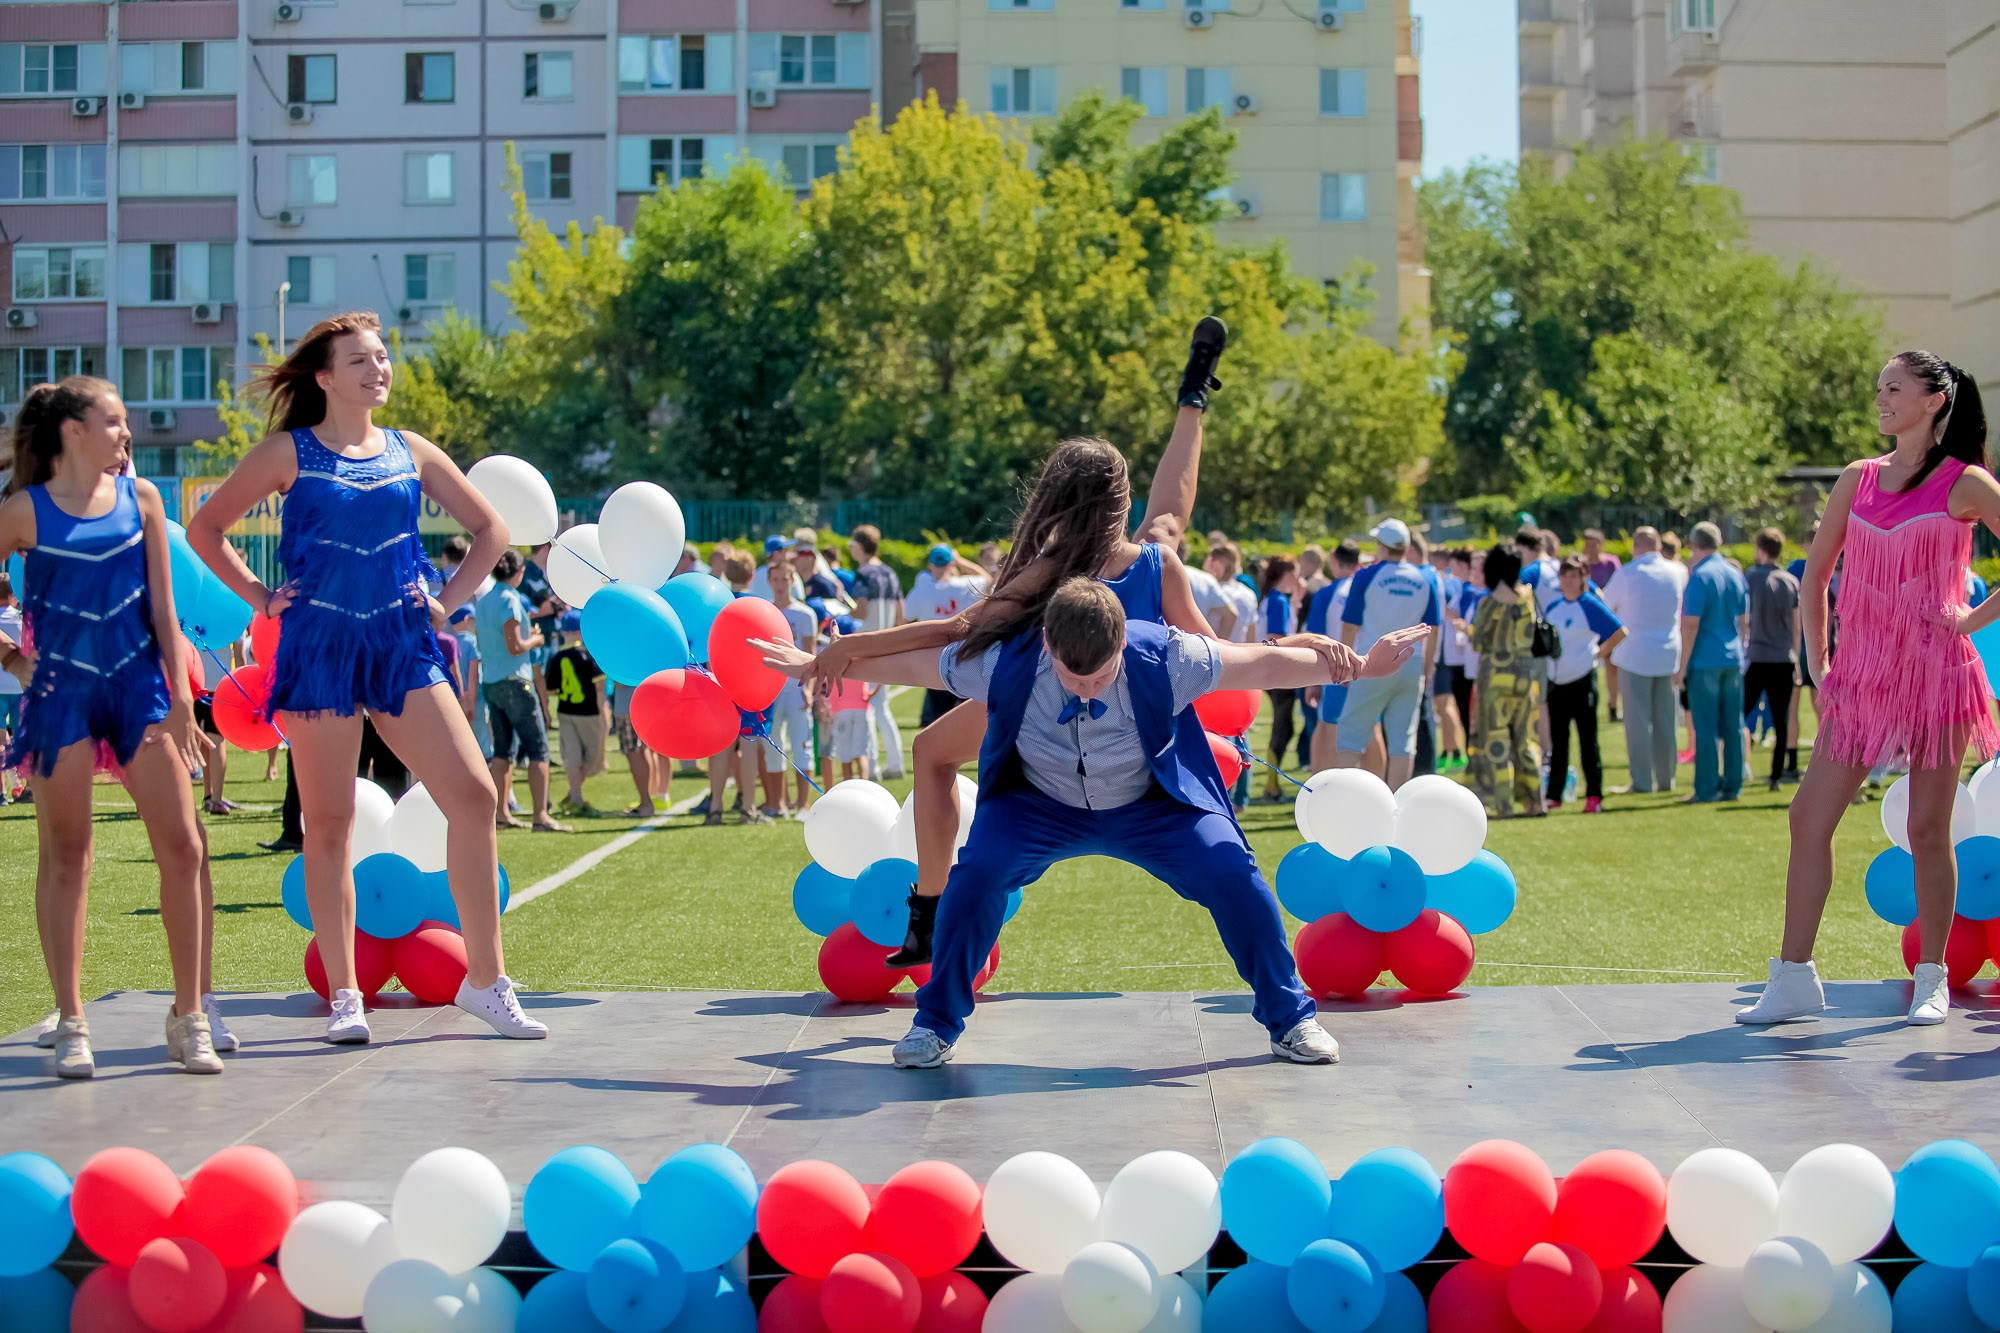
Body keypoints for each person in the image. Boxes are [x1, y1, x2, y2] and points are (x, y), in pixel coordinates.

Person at [761, 578, 1428, 1068]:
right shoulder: (1004, 659)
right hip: (1038, 806)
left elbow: (1267, 662)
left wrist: (1365, 664)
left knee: (1233, 870)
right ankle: (934, 1024)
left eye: (1099, 673)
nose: (1084, 686)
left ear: (1123, 642)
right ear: (1047, 642)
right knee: (978, 876)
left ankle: (1290, 1020)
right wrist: (824, 661)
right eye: (1070, 673)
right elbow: (905, 661)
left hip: (1150, 806)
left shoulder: (1169, 654)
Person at [187, 311, 545, 1044]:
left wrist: (446, 601)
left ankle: (487, 981)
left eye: (382, 358)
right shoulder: (289, 451)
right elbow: (206, 527)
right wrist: (260, 596)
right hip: (319, 648)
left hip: (401, 643)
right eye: (360, 360)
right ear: (324, 377)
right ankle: (345, 994)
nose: (378, 369)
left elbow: (492, 531)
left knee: (475, 797)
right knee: (328, 824)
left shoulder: (411, 450)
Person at [1743, 353, 1999, 1029]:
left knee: (1926, 826)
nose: (1881, 398)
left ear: (1933, 401)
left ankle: (1932, 976)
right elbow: (1816, 576)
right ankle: (1794, 976)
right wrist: (1821, 670)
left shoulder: (1965, 482)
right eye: (1879, 387)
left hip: (1940, 674)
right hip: (1861, 675)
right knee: (1808, 816)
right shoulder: (1857, 478)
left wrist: (1971, 620)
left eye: (1894, 388)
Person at [0, 377, 225, 1077]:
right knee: (69, 855)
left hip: (142, 698)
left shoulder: (146, 500)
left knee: (185, 848)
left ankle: (189, 1016)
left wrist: (183, 701)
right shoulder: (21, 511)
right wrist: (12, 656)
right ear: (73, 430)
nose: (128, 433)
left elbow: (163, 609)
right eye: (115, 420)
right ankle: (72, 1020)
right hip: (61, 698)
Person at [1335, 519, 1440, 790]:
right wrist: (1426, 669)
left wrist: (1346, 665)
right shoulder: (1426, 577)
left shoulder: (1367, 575)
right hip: (1412, 663)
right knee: (1403, 740)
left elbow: (1350, 625)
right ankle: (1396, 805)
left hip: (1372, 662)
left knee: (1350, 736)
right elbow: (1434, 629)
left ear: (1382, 546)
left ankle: (1347, 801)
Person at [477, 551, 567, 833]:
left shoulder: (485, 600)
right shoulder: (509, 599)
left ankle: (501, 813)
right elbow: (515, 646)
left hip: (492, 680)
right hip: (516, 681)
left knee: (503, 751)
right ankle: (541, 814)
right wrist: (537, 639)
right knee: (538, 749)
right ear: (519, 573)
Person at [1603, 527, 1687, 795]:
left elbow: (1606, 605)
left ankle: (1642, 781)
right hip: (1668, 654)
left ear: (1635, 546)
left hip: (1635, 653)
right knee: (1666, 721)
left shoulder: (1627, 573)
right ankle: (1666, 779)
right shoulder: (1679, 571)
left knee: (1638, 722)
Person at [1543, 555, 1627, 813]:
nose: (1568, 580)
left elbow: (1619, 631)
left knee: (1587, 740)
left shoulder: (1588, 604)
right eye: (1565, 575)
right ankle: (1554, 794)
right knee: (1559, 741)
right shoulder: (1554, 606)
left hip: (1582, 680)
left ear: (1583, 579)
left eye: (1574, 575)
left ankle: (1594, 796)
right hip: (1557, 681)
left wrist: (1598, 653)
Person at [1467, 546, 1544, 819]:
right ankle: (1536, 801)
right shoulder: (1527, 597)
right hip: (1524, 677)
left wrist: (1465, 630)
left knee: (1497, 741)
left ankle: (1503, 804)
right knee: (1524, 740)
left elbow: (1476, 641)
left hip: (1495, 679)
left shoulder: (1489, 604)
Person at [1676, 522, 1750, 804]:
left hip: (1705, 659)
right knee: (1732, 724)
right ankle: (1733, 785)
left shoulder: (1700, 576)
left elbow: (1690, 625)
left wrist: (1682, 667)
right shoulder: (1734, 574)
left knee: (1705, 727)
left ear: (1694, 545)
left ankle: (1706, 788)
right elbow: (1744, 621)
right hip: (1732, 659)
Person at [903, 544, 990, 728]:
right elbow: (988, 579)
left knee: (937, 718)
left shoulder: (921, 590)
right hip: (963, 656)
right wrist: (961, 561)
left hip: (932, 659)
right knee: (964, 718)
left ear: (930, 565)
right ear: (952, 564)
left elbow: (906, 616)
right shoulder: (965, 585)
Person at [1742, 527, 1802, 794]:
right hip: (1783, 658)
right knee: (1781, 719)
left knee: (1739, 715)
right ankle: (1776, 776)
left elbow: (1744, 619)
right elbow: (1796, 627)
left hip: (1756, 657)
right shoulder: (1790, 582)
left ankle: (1735, 767)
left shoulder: (1750, 579)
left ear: (1760, 550)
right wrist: (1797, 661)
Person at [847, 524, 906, 779]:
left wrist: (842, 610)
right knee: (882, 709)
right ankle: (895, 764)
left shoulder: (863, 574)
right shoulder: (890, 573)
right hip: (887, 646)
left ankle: (871, 768)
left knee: (866, 709)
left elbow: (860, 610)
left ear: (860, 546)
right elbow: (901, 616)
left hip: (865, 647)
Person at [764, 570, 820, 817]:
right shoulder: (765, 612)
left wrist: (809, 688)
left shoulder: (804, 614)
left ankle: (803, 804)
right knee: (773, 746)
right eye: (775, 579)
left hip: (796, 689)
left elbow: (811, 654)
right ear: (769, 582)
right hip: (771, 691)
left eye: (784, 579)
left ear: (792, 581)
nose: (779, 585)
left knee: (802, 746)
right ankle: (777, 804)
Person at [544, 615, 610, 816]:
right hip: (589, 713)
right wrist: (604, 716)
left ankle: (574, 795)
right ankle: (575, 796)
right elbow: (599, 689)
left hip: (565, 712)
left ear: (563, 632)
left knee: (571, 757)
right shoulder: (589, 655)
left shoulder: (555, 659)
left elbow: (552, 690)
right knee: (593, 760)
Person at [1306, 542, 1363, 771]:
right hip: (1368, 666)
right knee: (1372, 729)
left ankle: (1321, 785)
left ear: (1335, 561)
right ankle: (1379, 787)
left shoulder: (1328, 593)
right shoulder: (1368, 588)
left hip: (1336, 669)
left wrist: (1312, 681)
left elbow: (1315, 639)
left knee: (1329, 727)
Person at [1255, 556, 1302, 801]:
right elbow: (1277, 636)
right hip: (1279, 672)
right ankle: (1271, 787)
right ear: (1287, 574)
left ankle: (1272, 785)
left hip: (1272, 671)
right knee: (1282, 728)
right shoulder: (1278, 601)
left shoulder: (1273, 598)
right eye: (1296, 573)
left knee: (1283, 727)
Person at [0, 572, 20, 804]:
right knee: (23, 739)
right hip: (18, 685)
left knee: (0, 740)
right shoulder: (21, 619)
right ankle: (29, 788)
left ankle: (2, 793)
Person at [750, 535, 807, 603]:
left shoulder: (756, 574)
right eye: (786, 550)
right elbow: (800, 601)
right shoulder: (789, 574)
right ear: (776, 553)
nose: (789, 553)